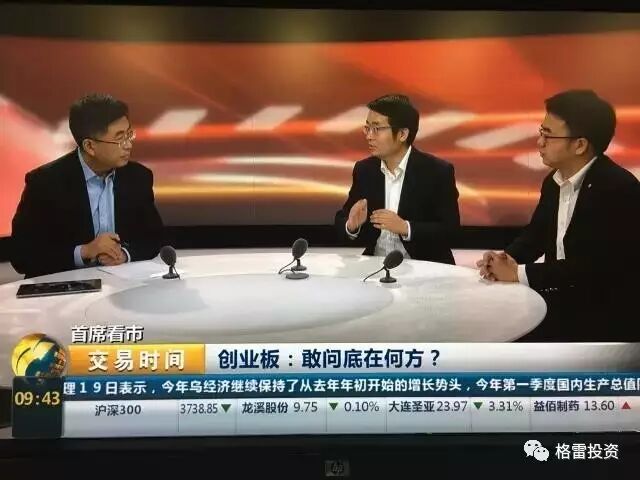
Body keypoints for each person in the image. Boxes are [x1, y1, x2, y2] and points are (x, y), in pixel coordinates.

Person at [476, 89, 640, 341]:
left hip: (605, 317)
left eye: (548, 135)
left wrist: (518, 273)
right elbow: (536, 235)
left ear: (580, 145)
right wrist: (505, 259)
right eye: (540, 132)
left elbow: (593, 267)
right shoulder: (553, 182)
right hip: (559, 301)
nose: (539, 142)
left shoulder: (618, 189)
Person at [11, 93, 164, 278]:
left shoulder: (138, 177)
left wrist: (124, 255)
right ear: (90, 146)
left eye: (129, 134)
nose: (128, 145)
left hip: (122, 284)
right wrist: (84, 251)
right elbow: (22, 255)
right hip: (65, 287)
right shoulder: (45, 183)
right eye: (119, 138)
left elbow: (154, 237)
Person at [334, 94, 460, 264]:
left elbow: (451, 231)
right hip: (376, 265)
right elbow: (343, 218)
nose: (369, 136)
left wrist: (406, 228)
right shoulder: (365, 170)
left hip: (424, 267)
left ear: (402, 134)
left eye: (377, 129)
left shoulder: (437, 171)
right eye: (367, 128)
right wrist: (351, 226)